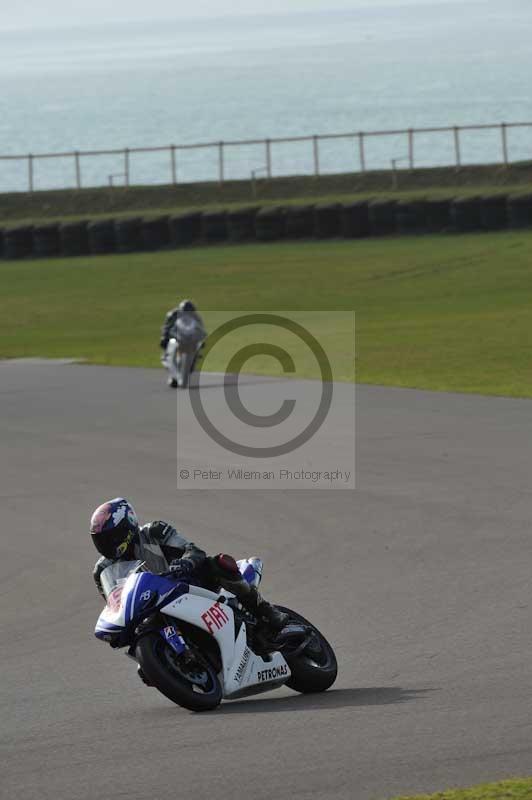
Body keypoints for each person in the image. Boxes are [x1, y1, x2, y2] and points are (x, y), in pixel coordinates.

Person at [91, 498, 289, 640]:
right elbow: (115, 604)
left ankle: (267, 612)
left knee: (218, 563)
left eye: (110, 537)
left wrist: (185, 562)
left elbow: (192, 550)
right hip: (151, 605)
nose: (105, 544)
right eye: (100, 540)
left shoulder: (154, 531)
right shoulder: (102, 569)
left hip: (185, 582)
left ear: (128, 526)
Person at [159, 299, 207, 388]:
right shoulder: (173, 315)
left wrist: (202, 339)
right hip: (176, 337)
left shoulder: (196, 317)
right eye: (186, 312)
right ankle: (169, 362)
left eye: (190, 312)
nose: (188, 314)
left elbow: (201, 329)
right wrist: (164, 337)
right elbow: (166, 327)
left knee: (197, 351)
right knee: (170, 345)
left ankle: (189, 366)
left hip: (190, 339)